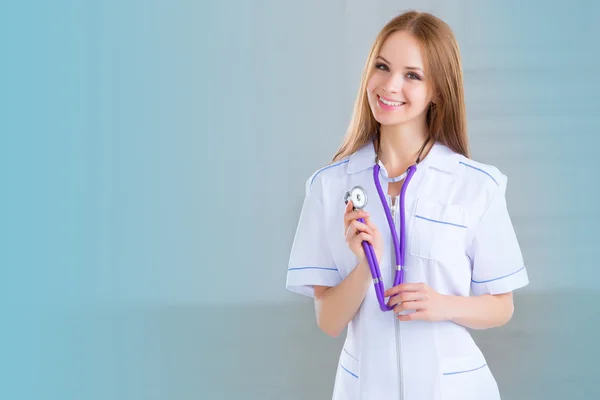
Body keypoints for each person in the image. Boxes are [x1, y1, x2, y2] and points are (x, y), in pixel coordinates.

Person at [285, 10, 529, 400]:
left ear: (438, 91)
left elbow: (502, 307)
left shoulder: (476, 187)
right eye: (382, 67)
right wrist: (366, 265)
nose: (390, 85)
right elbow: (329, 321)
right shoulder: (329, 188)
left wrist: (441, 304)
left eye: (412, 75)